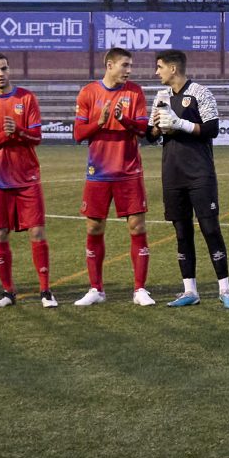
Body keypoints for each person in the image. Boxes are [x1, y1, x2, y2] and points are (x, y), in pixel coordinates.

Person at [149, 48, 229, 308]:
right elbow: (151, 136)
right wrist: (156, 126)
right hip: (172, 174)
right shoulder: (161, 96)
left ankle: (225, 290)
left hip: (200, 174)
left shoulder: (200, 92)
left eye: (160, 67)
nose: (157, 72)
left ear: (173, 68)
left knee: (210, 229)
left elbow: (212, 129)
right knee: (182, 232)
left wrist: (180, 124)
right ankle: (190, 291)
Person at [0, 51, 53, 310]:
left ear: (10, 69)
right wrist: (6, 136)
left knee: (37, 231)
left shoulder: (26, 98)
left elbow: (37, 137)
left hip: (27, 176)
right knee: (0, 233)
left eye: (3, 68)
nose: (0, 73)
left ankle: (45, 291)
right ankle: (7, 291)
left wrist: (17, 131)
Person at [73, 47, 154, 307]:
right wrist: (101, 121)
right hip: (98, 172)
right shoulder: (88, 92)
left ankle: (140, 289)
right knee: (94, 227)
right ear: (109, 65)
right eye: (124, 65)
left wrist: (124, 119)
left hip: (129, 171)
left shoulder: (135, 92)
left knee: (137, 227)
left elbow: (143, 130)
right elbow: (78, 134)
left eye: (130, 66)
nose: (129, 71)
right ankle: (96, 289)